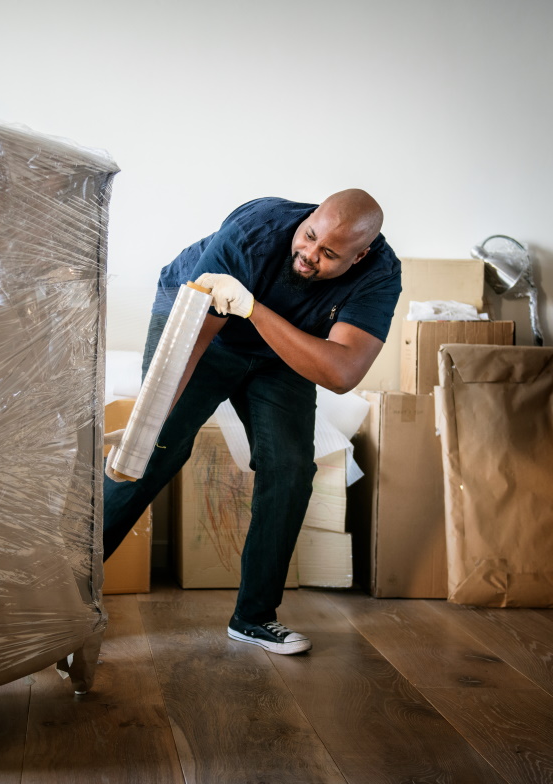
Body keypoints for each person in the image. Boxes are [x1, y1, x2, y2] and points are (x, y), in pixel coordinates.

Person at [103, 190, 401, 655]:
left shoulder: (380, 275)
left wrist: (254, 310)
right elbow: (196, 337)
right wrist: (151, 417)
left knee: (291, 467)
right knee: (154, 449)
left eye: (328, 254)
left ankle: (254, 617)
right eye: (308, 237)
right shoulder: (254, 232)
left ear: (360, 256)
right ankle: (64, 597)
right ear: (309, 217)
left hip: (279, 345)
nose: (308, 255)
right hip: (200, 322)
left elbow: (342, 373)